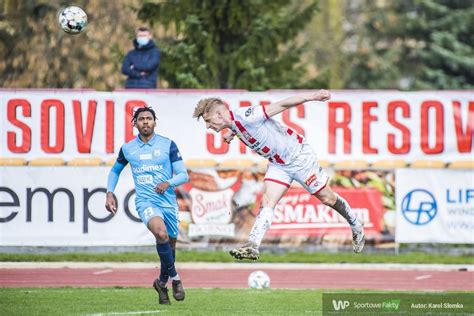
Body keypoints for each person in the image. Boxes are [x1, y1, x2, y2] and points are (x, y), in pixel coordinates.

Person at [192, 90, 365, 260]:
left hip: (299, 158)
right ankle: (252, 246)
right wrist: (232, 132)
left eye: (208, 121)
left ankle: (356, 225)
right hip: (278, 164)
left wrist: (314, 96)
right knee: (267, 201)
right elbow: (241, 126)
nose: (208, 126)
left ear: (220, 114)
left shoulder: (248, 115)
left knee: (327, 198)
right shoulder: (235, 123)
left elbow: (282, 104)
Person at [105, 106, 189, 304]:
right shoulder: (128, 148)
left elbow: (183, 175)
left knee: (170, 246)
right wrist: (109, 192)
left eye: (149, 118)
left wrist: (168, 183)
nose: (145, 122)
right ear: (135, 123)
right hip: (146, 201)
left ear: (154, 122)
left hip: (168, 202)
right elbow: (115, 171)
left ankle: (161, 282)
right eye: (141, 119)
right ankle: (176, 279)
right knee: (161, 234)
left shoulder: (168, 145)